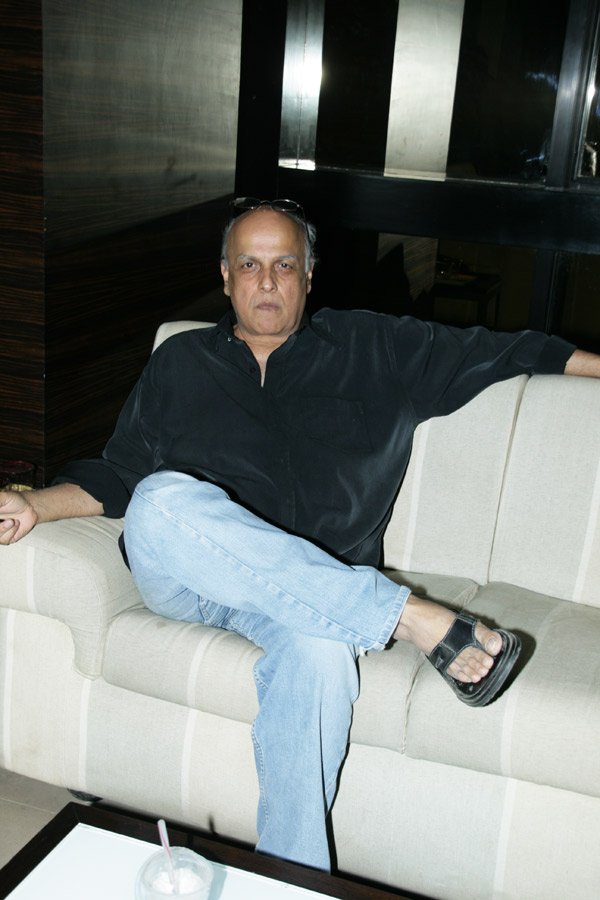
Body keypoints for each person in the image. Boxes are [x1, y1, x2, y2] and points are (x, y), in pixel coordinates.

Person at [2, 197, 600, 871]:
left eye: (284, 265)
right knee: (161, 499)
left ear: (309, 274)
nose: (266, 281)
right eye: (249, 265)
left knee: (321, 652)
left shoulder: (376, 348)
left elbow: (514, 350)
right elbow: (120, 472)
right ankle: (405, 616)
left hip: (313, 604)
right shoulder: (180, 362)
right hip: (192, 585)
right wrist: (34, 506)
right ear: (224, 275)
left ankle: (292, 877)